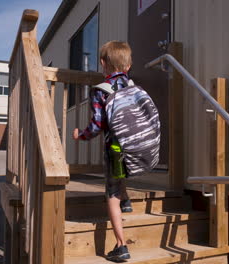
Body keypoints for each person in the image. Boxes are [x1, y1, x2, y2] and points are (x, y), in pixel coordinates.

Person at [72, 41, 134, 262]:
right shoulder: (134, 87)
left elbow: (97, 125)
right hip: (135, 146)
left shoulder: (101, 91)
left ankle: (121, 245)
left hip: (115, 147)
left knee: (111, 194)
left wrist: (82, 135)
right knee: (122, 170)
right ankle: (126, 199)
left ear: (102, 63)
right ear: (128, 66)